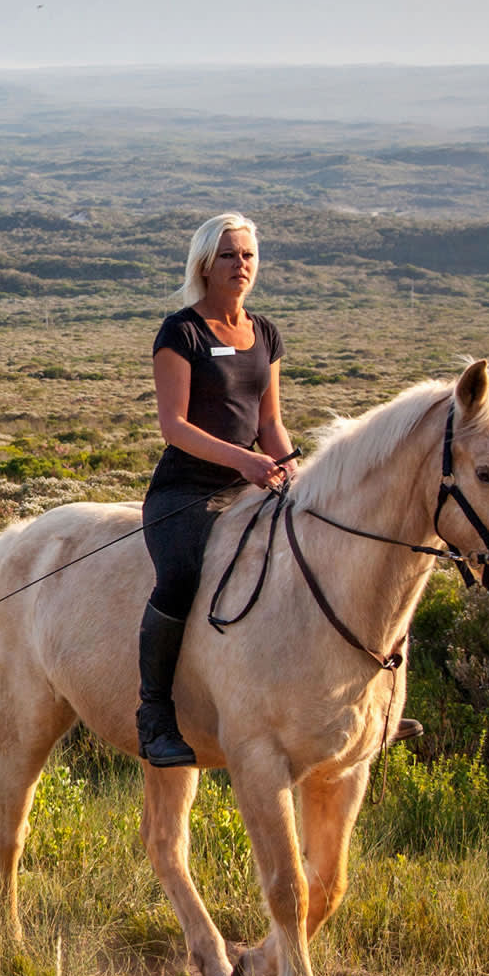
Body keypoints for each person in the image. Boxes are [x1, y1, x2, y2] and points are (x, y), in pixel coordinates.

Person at [137, 213, 295, 768]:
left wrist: (292, 474)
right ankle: (154, 713)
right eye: (228, 255)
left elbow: (270, 422)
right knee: (180, 578)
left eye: (247, 255)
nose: (240, 265)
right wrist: (245, 461)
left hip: (251, 484)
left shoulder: (265, 333)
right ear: (205, 264)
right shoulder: (181, 332)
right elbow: (174, 426)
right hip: (185, 491)